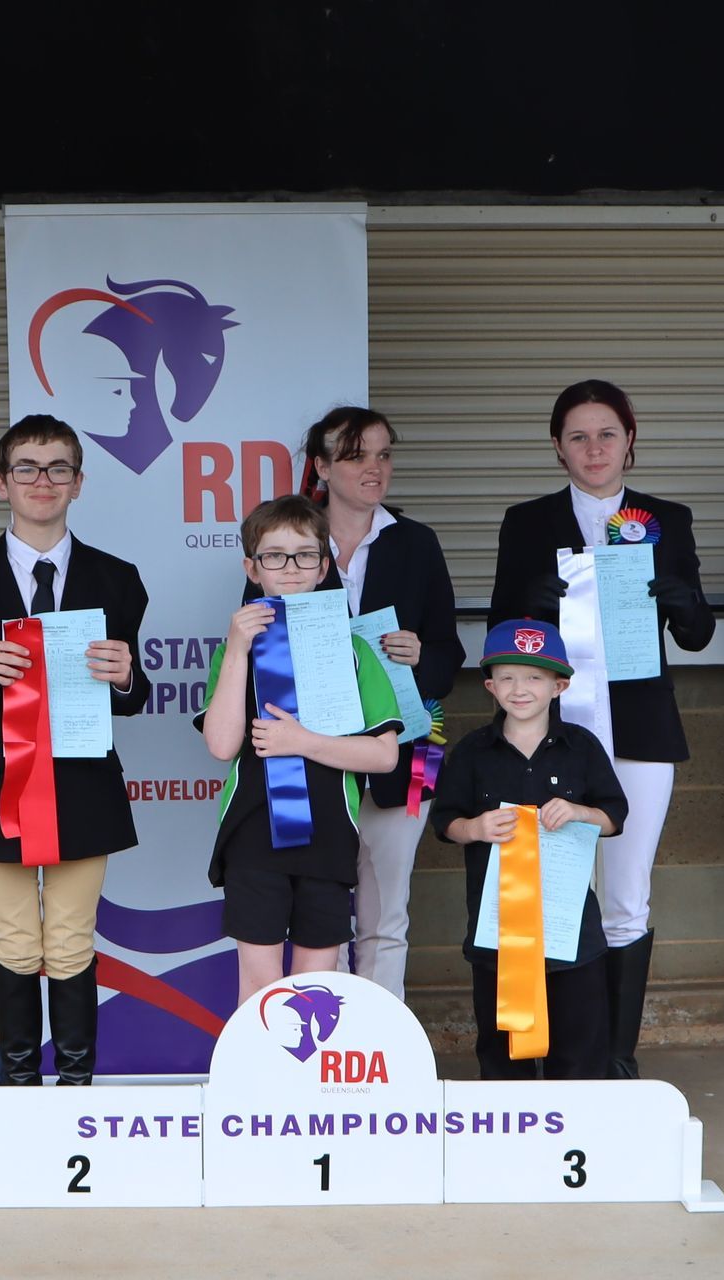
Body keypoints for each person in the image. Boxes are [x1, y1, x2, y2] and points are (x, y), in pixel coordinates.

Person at [487, 379, 715, 1077]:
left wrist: (680, 601)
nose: (594, 448)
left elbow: (700, 633)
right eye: (578, 436)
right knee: (544, 894)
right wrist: (531, 608)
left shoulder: (664, 518)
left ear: (630, 441)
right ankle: (544, 1048)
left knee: (626, 896)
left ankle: (615, 1054)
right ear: (557, 447)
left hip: (640, 734)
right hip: (544, 735)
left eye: (607, 434)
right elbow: (497, 638)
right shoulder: (528, 522)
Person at [0, 414, 150, 1087]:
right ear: (2, 483)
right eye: (27, 467)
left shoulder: (118, 580)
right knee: (16, 942)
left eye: (57, 468)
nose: (42, 480)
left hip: (84, 790)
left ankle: (75, 1089)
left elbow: (133, 696)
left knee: (73, 940)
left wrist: (125, 674)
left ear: (79, 482)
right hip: (0, 789)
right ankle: (20, 1087)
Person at [196, 495, 402, 1007]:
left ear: (324, 565)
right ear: (252, 567)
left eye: (304, 555)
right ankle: (260, 1088)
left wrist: (300, 742)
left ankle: (309, 1087)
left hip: (330, 832)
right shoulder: (230, 650)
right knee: (260, 984)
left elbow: (384, 757)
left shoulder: (353, 649)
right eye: (274, 555)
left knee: (318, 983)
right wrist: (240, 648)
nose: (290, 568)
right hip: (254, 833)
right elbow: (222, 745)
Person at [290, 407, 463, 999]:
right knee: (322, 921)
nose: (374, 468)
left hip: (412, 750)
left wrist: (420, 654)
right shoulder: (291, 540)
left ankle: (382, 1056)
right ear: (321, 465)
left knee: (388, 917)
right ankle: (329, 1050)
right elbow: (260, 644)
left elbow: (451, 653)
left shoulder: (416, 543)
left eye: (384, 455)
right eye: (357, 455)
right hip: (314, 756)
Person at [432, 619, 628, 1079]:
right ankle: (509, 1147)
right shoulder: (472, 752)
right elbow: (445, 823)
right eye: (507, 677)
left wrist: (580, 813)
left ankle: (577, 1139)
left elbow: (615, 816)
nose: (520, 689)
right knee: (502, 1060)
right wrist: (476, 827)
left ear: (559, 686)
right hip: (497, 936)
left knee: (578, 1054)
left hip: (573, 935)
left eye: (535, 677)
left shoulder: (582, 748)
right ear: (490, 686)